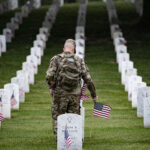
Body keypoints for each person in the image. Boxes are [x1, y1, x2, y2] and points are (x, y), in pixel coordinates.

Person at [46, 39, 97, 135]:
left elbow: (49, 76)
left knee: (58, 117)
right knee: (73, 120)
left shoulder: (56, 59)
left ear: (64, 48)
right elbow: (88, 79)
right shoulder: (79, 60)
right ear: (73, 49)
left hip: (59, 94)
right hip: (75, 95)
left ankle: (60, 139)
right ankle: (73, 141)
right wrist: (94, 95)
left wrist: (51, 87)